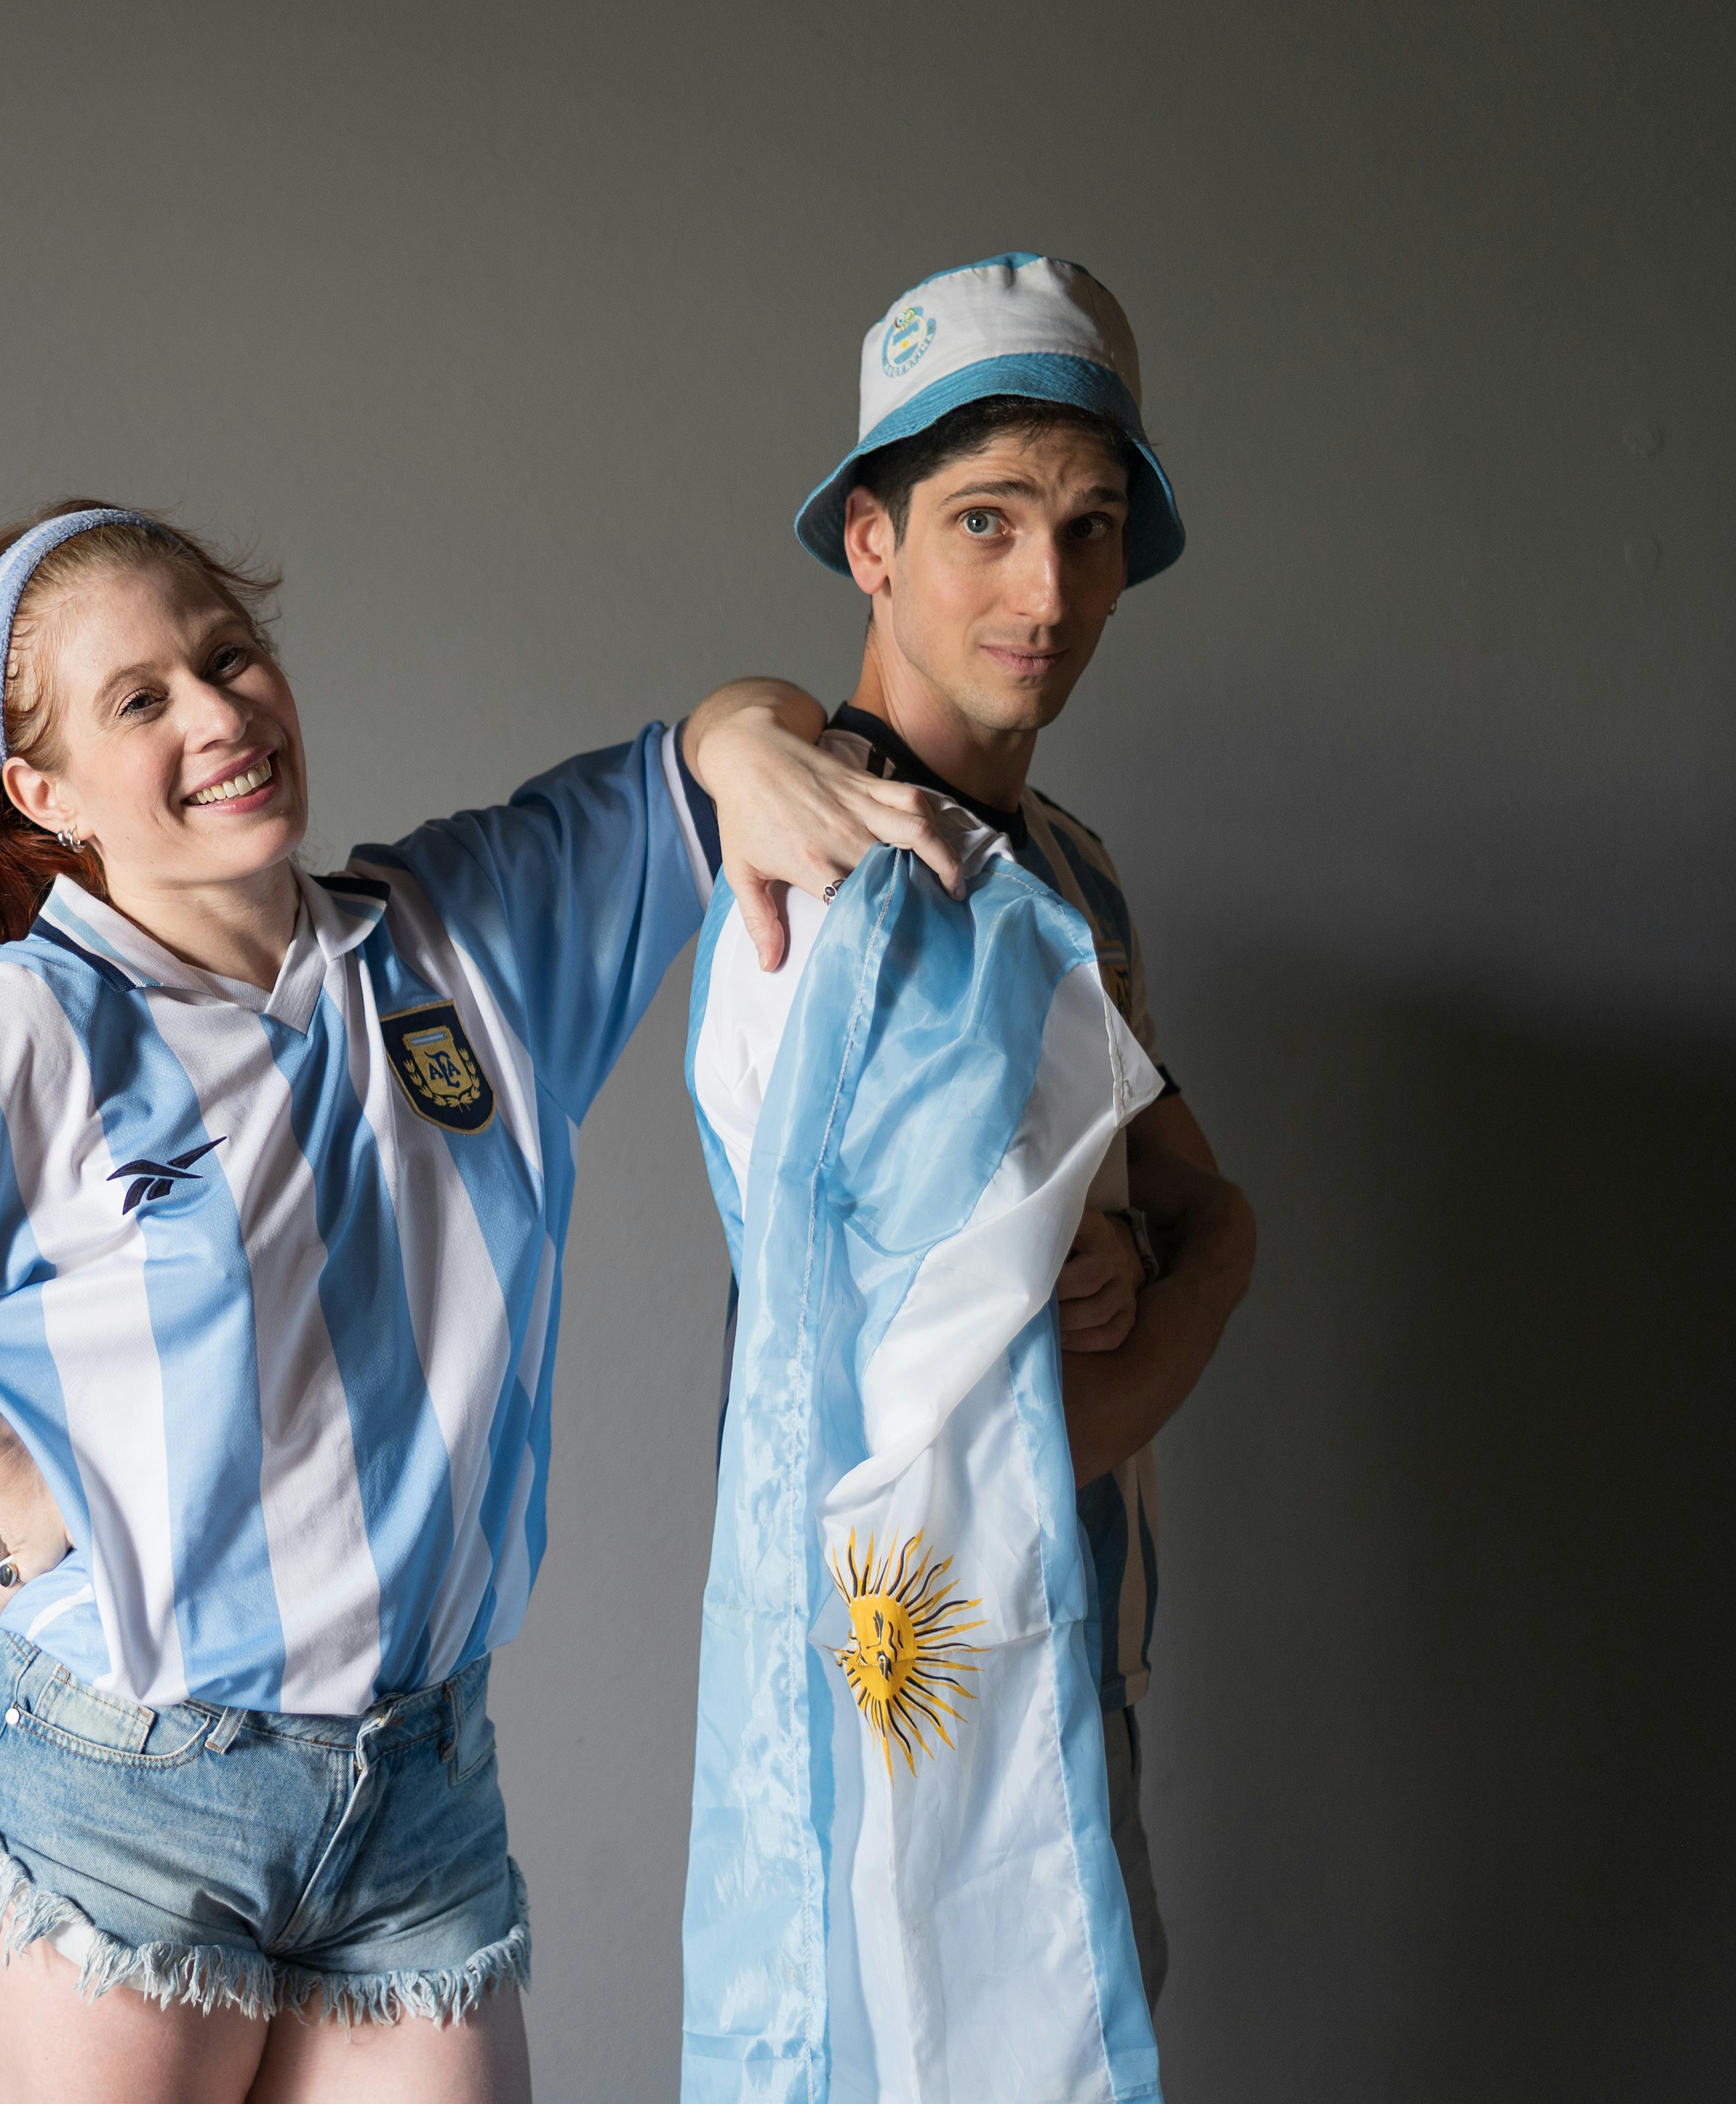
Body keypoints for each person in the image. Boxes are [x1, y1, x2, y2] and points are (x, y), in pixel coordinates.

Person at [0, 501, 968, 2104]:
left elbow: (708, 755)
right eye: (139, 700)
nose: (219, 711)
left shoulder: (466, 939)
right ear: (43, 795)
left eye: (229, 657)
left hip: (421, 1797)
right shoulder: (16, 1039)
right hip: (128, 1794)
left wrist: (742, 733)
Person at [691, 254, 1259, 2029]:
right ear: (869, 540)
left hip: (1067, 1659)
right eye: (985, 522)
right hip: (924, 1704)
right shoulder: (843, 893)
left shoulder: (1059, 872)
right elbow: (1000, 1439)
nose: (1048, 590)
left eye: (1089, 530)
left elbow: (1151, 1185)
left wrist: (1141, 1229)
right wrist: (1223, 1253)